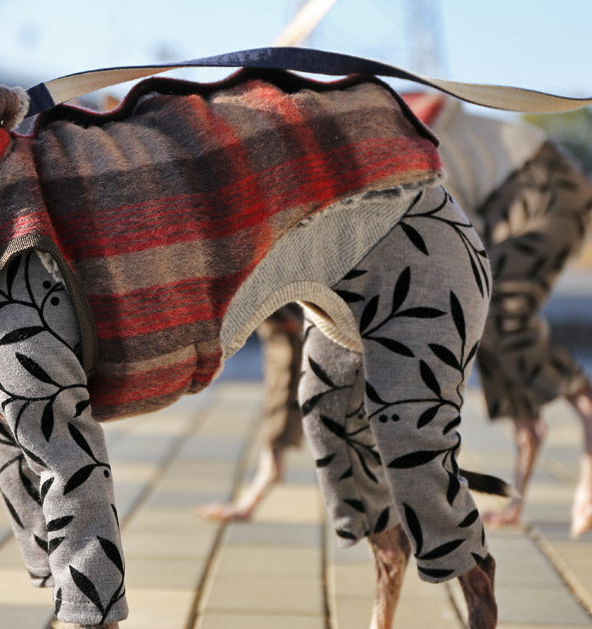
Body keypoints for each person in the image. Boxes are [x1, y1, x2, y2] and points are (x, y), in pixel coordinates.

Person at [200, 95, 592, 537]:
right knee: (488, 328)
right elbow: (286, 345)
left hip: (543, 181)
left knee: (498, 316)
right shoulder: (288, 226)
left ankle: (585, 414)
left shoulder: (370, 186)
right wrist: (262, 480)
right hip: (492, 191)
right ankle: (520, 492)